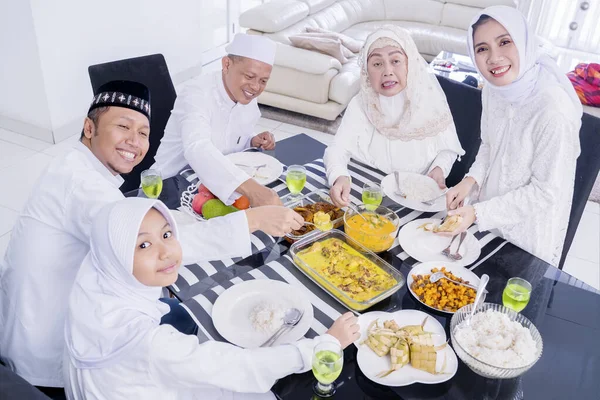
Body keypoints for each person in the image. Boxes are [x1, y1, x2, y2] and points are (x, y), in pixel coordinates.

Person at [0, 80, 303, 390]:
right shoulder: (83, 186)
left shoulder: (76, 166)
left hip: (59, 314)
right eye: (123, 126)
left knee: (182, 314)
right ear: (89, 128)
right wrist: (251, 220)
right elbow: (153, 250)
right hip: (51, 352)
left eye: (143, 133)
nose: (134, 142)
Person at [63, 197, 360, 400]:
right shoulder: (148, 344)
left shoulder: (97, 272)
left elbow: (183, 242)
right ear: (116, 254)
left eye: (167, 235)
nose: (166, 252)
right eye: (143, 244)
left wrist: (253, 218)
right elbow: (237, 366)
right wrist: (325, 344)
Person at [443, 6, 582, 266]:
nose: (494, 58)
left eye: (505, 42)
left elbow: (545, 192)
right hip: (485, 215)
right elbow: (489, 145)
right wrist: (470, 180)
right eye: (482, 49)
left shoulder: (553, 109)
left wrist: (477, 213)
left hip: (525, 235)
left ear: (523, 42)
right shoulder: (493, 89)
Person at [324, 26, 465, 207]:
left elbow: (448, 148)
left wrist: (439, 169)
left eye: (396, 61)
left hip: (414, 196)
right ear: (366, 71)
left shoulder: (430, 101)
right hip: (366, 188)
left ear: (410, 64)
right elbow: (337, 149)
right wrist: (339, 176)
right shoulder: (361, 103)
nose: (387, 71)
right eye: (377, 64)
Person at [153, 33, 282, 209]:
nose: (255, 87)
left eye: (263, 81)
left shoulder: (245, 93)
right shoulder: (196, 93)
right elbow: (197, 147)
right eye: (249, 76)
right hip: (169, 188)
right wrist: (254, 191)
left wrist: (251, 140)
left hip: (214, 188)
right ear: (226, 64)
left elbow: (228, 138)